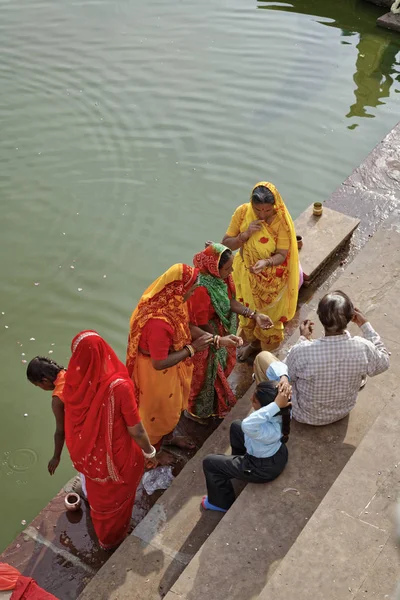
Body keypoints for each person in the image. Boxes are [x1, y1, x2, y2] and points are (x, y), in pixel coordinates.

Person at [127, 263, 241, 465]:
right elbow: (159, 362)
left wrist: (218, 340)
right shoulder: (157, 324)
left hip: (173, 369)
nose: (194, 292)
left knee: (174, 406)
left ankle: (170, 438)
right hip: (156, 376)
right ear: (179, 289)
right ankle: (154, 454)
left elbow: (186, 326)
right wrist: (192, 349)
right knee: (157, 414)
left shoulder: (172, 302)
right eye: (191, 288)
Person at [60, 330, 154, 550]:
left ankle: (104, 534)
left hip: (89, 455)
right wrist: (149, 451)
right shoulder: (118, 386)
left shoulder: (72, 381)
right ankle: (112, 540)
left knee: (99, 494)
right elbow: (137, 430)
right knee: (116, 497)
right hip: (116, 455)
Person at [254, 291, 390, 426]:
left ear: (320, 317)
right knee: (360, 367)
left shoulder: (303, 351)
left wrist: (302, 339)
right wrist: (365, 325)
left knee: (263, 358)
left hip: (304, 414)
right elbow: (383, 361)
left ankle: (269, 404)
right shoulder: (363, 347)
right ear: (351, 317)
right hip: (343, 410)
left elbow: (287, 375)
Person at [187, 243, 273, 422]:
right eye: (227, 268)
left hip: (219, 329)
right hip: (205, 335)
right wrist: (219, 340)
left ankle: (215, 402)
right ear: (214, 268)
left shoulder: (220, 277)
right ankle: (198, 413)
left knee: (221, 366)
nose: (231, 271)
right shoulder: (201, 290)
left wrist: (254, 315)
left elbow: (229, 302)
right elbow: (200, 323)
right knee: (206, 376)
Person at [222, 181, 299, 361]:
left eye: (267, 211)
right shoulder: (243, 213)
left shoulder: (282, 223)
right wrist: (245, 234)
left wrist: (266, 262)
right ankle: (253, 345)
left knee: (269, 320)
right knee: (247, 312)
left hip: (272, 280)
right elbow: (226, 243)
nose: (263, 215)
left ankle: (266, 357)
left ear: (275, 206)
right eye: (258, 210)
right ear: (252, 205)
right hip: (245, 273)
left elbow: (281, 254)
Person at [201, 380, 291, 512]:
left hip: (261, 468)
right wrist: (284, 380)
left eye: (254, 401)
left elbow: (247, 425)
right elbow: (276, 368)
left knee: (209, 463)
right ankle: (236, 463)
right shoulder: (281, 415)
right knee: (236, 425)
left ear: (266, 408)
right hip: (277, 454)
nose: (250, 399)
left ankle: (220, 503)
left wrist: (276, 405)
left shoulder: (268, 431)